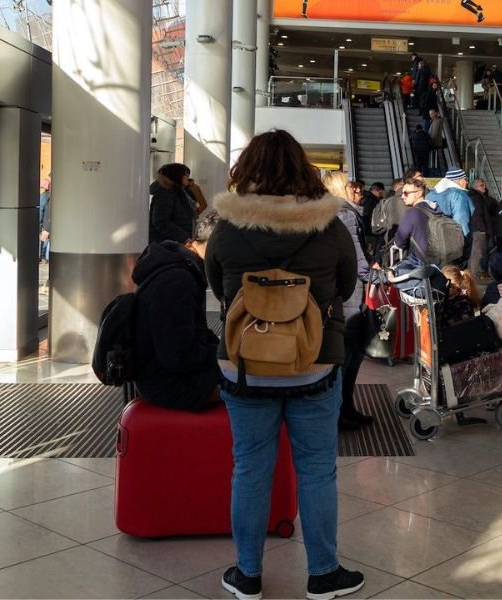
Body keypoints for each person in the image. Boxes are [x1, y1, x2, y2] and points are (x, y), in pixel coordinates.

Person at [205, 131, 364, 600]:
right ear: (303, 169)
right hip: (313, 362)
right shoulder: (330, 225)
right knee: (317, 469)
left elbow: (218, 287)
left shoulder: (228, 227)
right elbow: (347, 283)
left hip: (246, 364)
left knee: (250, 469)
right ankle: (323, 575)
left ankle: (248, 575)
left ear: (246, 169)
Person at [132, 212, 222, 412]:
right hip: (169, 384)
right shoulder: (178, 280)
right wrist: (224, 355)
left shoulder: (180, 266)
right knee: (253, 383)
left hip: (162, 374)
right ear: (217, 245)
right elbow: (178, 355)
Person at [323, 171, 375, 431]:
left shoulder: (330, 211)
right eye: (350, 185)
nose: (356, 189)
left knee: (344, 352)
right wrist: (377, 275)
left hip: (337, 288)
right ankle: (343, 410)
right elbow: (356, 259)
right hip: (352, 291)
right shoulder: (345, 214)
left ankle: (344, 408)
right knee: (350, 352)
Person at [393, 176, 441, 264]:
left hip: (419, 263)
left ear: (419, 193)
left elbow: (399, 242)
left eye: (406, 193)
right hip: (440, 261)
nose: (402, 196)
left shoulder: (412, 213)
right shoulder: (437, 209)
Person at [149, 163, 197, 244]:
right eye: (185, 175)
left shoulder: (180, 191)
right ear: (176, 175)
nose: (188, 178)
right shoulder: (165, 193)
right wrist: (183, 237)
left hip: (175, 242)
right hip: (167, 244)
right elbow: (160, 221)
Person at [429, 167, 475, 250]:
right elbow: (461, 220)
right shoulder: (459, 195)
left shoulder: (431, 195)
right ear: (459, 180)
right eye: (465, 179)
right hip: (452, 243)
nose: (467, 182)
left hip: (433, 242)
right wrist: (464, 243)